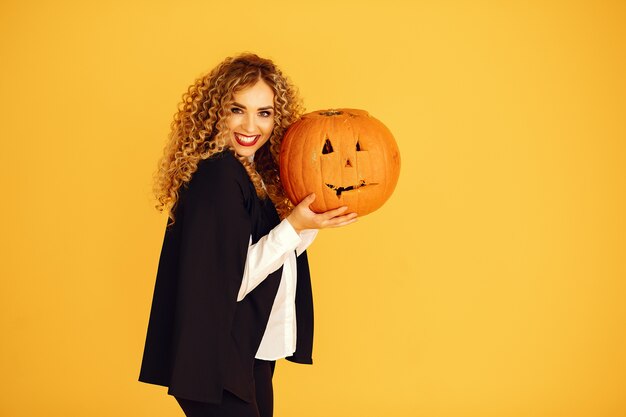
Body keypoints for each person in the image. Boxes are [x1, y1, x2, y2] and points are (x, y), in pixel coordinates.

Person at [138, 53, 357, 417]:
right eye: (237, 109)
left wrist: (310, 223)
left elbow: (272, 257)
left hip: (246, 350)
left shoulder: (249, 172)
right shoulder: (219, 176)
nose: (250, 125)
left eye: (264, 112)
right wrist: (295, 226)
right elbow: (231, 281)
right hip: (217, 359)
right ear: (216, 113)